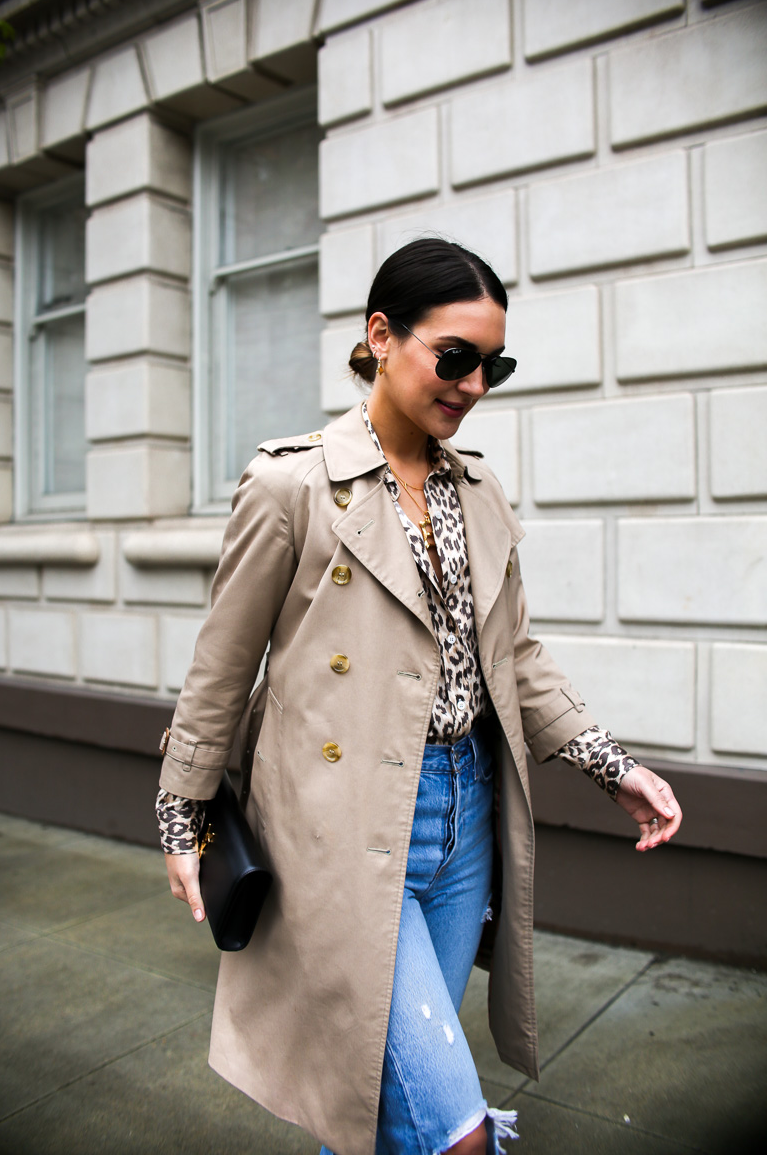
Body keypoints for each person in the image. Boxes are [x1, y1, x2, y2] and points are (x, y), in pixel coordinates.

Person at [156, 238, 682, 1155]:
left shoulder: (475, 489)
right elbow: (220, 667)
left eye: (494, 365)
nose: (474, 384)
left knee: (369, 1106)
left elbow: (512, 657)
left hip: (464, 814)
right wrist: (180, 813)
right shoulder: (294, 484)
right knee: (455, 1131)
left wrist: (613, 766)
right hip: (343, 828)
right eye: (456, 357)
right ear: (381, 336)